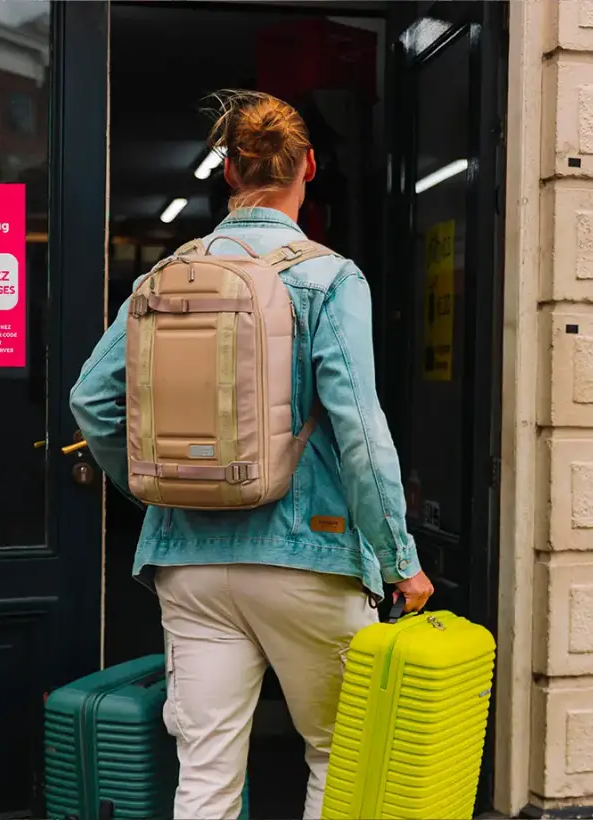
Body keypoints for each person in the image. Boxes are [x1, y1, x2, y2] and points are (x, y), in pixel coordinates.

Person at [70, 89, 434, 820]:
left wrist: (157, 489)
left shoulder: (164, 277)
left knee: (204, 775)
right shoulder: (331, 278)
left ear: (229, 171)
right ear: (307, 165)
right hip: (312, 557)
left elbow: (91, 401)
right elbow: (360, 430)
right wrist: (401, 560)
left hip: (190, 563)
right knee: (336, 752)